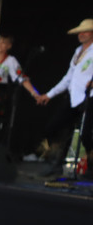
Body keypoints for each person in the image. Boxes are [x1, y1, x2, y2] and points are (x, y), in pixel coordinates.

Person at [36, 19, 93, 175]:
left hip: (90, 97)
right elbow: (68, 77)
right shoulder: (77, 51)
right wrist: (49, 94)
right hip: (73, 96)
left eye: (85, 31)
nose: (81, 34)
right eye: (79, 32)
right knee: (54, 127)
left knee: (87, 135)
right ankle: (55, 162)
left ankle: (90, 168)